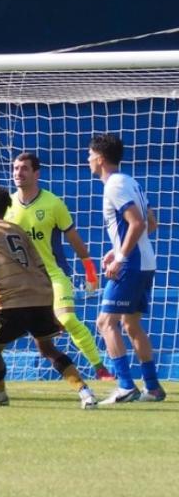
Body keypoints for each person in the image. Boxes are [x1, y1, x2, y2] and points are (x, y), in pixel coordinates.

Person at [0, 186, 99, 409]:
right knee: (47, 348)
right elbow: (41, 268)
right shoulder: (17, 230)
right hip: (40, 298)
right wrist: (50, 309)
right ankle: (85, 392)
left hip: (11, 302)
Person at [5, 152, 113, 380]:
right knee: (3, 321)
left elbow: (74, 239)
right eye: (15, 168)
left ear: (36, 173)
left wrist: (90, 272)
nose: (18, 173)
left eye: (24, 168)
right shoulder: (8, 206)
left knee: (67, 320)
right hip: (21, 278)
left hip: (53, 274)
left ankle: (100, 369)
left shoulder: (53, 203)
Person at [88, 134, 165, 404]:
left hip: (131, 264)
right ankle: (153, 388)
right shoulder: (131, 181)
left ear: (99, 158)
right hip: (146, 262)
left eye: (90, 155)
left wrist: (120, 256)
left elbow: (138, 224)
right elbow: (151, 222)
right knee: (131, 324)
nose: (88, 160)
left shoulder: (114, 185)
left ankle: (125, 385)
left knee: (105, 322)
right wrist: (118, 248)